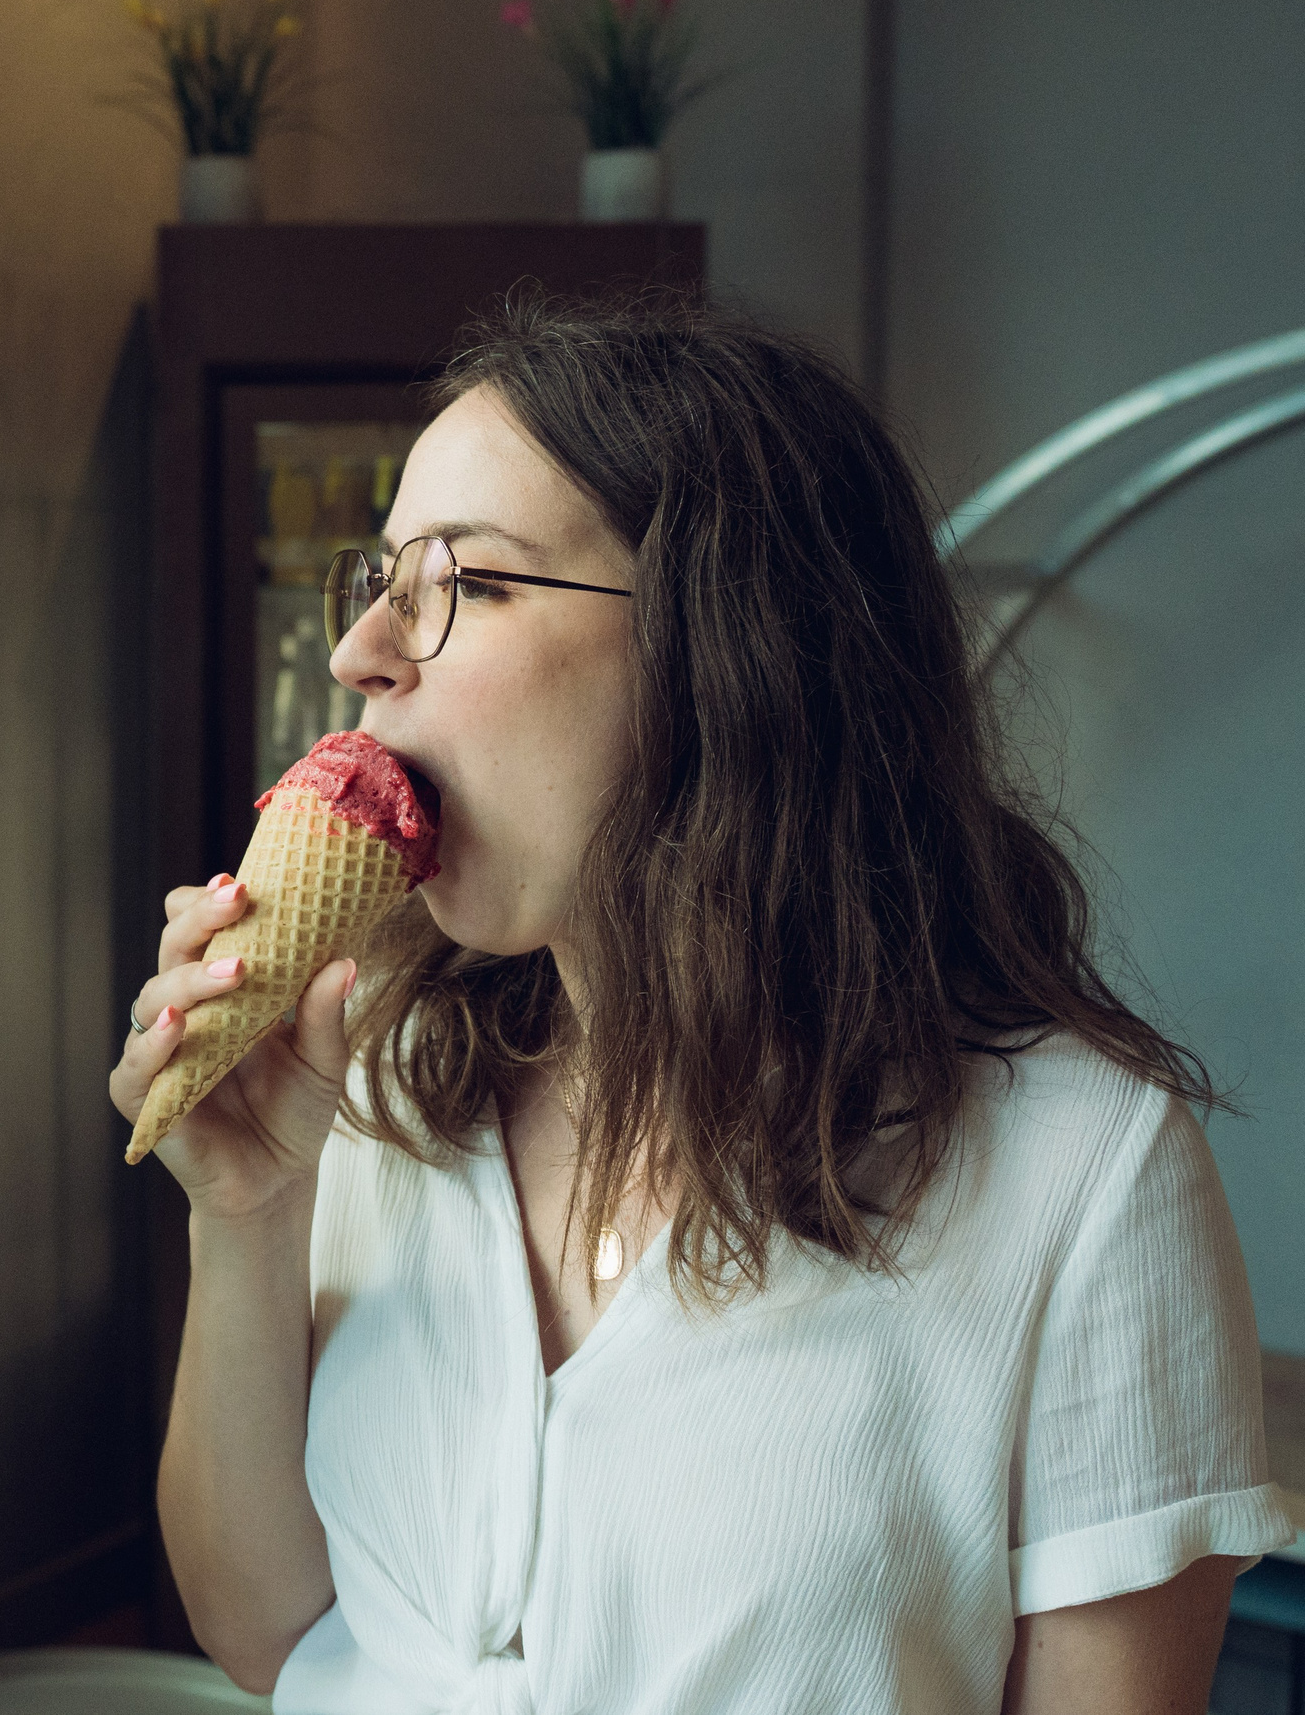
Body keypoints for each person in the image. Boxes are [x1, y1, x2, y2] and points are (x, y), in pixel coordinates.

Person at [113, 294, 1295, 1714]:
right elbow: (273, 1633)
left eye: (462, 581)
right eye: (377, 579)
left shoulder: (1085, 1176)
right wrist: (246, 1217)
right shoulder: (381, 1075)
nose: (363, 648)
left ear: (725, 649)